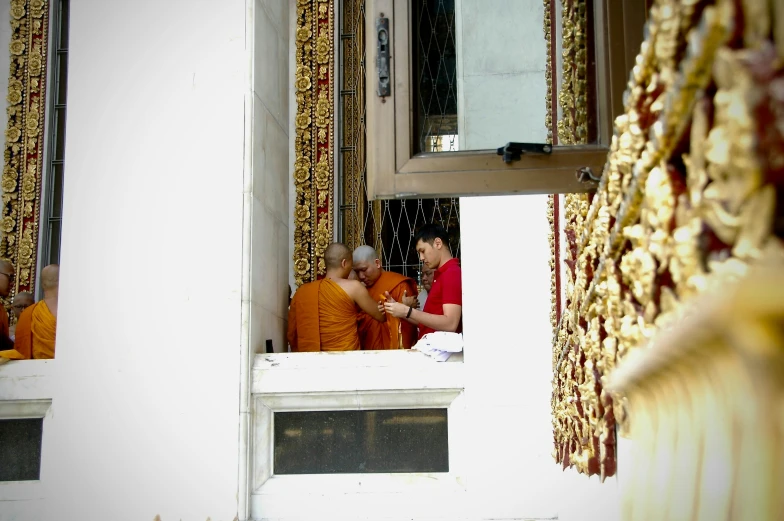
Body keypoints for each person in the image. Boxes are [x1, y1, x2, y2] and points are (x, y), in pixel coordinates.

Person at [287, 243, 385, 351]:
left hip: (312, 361)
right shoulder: (354, 287)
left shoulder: (302, 292)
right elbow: (381, 316)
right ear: (344, 263)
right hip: (345, 360)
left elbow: (292, 333)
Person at [383, 224, 462, 340]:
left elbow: (450, 323)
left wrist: (407, 311)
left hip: (441, 354)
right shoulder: (441, 274)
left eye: (423, 251)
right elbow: (427, 322)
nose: (421, 258)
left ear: (438, 243)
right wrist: (400, 309)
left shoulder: (452, 273)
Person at [352, 245, 418, 349]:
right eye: (357, 272)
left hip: (394, 351)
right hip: (367, 353)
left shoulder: (399, 285)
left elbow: (408, 327)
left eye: (364, 270)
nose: (361, 276)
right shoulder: (360, 291)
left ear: (377, 263)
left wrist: (403, 308)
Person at [0, 264, 59, 360]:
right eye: (10, 277)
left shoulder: (29, 314)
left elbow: (20, 351)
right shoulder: (76, 311)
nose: (12, 283)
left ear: (43, 285)